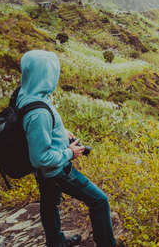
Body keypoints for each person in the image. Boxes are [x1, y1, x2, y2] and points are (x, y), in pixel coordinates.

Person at [16, 50, 117, 247]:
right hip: (56, 170)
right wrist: (70, 153)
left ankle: (56, 242)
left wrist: (60, 131)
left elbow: (37, 129)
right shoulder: (38, 113)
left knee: (49, 203)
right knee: (99, 201)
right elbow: (41, 158)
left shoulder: (27, 93)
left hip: (45, 172)